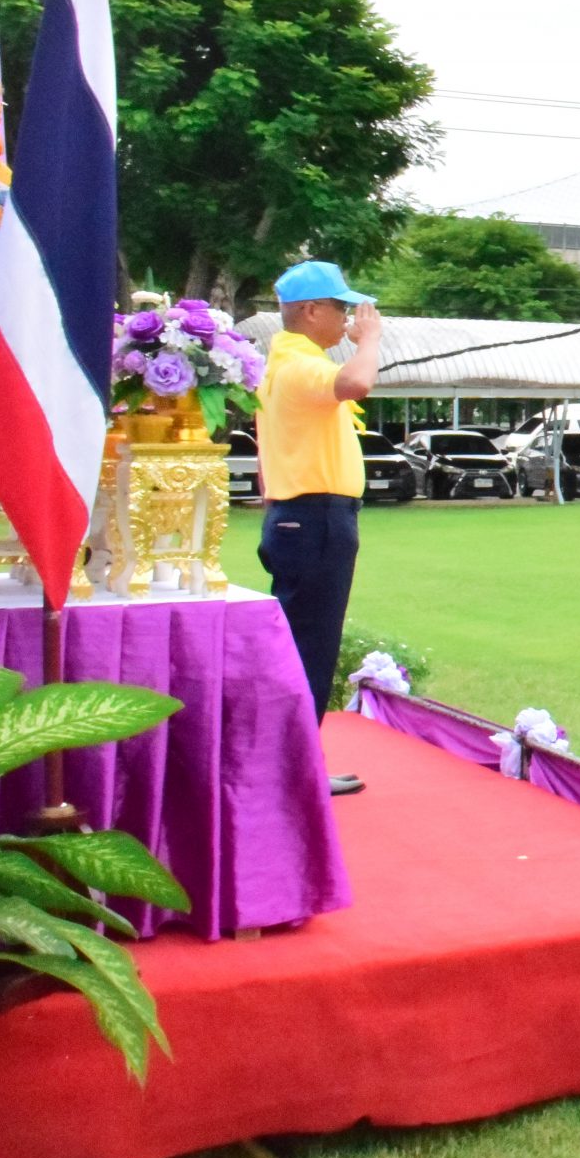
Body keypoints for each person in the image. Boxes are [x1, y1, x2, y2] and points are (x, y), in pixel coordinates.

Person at [256, 260, 382, 798]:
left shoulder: (282, 363)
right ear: (311, 311)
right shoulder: (300, 364)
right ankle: (296, 770)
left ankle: (291, 761)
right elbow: (357, 383)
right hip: (316, 518)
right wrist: (369, 341)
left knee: (301, 641)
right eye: (341, 308)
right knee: (311, 645)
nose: (349, 318)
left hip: (299, 515)